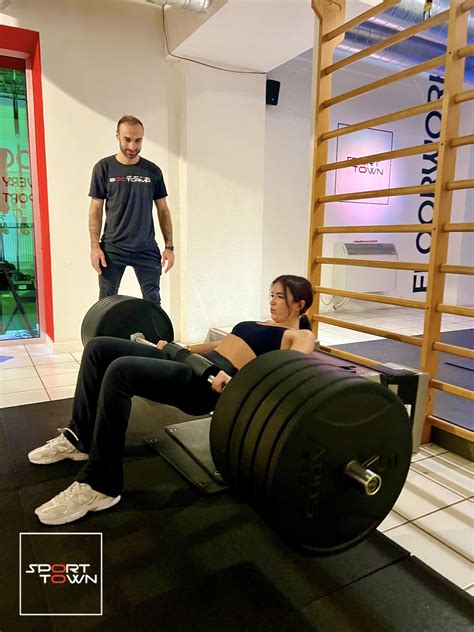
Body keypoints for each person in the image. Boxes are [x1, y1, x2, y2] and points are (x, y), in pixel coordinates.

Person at [29, 275, 315, 525]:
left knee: (121, 371)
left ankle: (101, 484)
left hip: (209, 383)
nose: (272, 302)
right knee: (98, 347)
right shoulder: (258, 323)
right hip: (193, 362)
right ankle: (78, 439)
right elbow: (219, 344)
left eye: (280, 297)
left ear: (300, 304)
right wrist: (176, 347)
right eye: (271, 295)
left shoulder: (299, 335)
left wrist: (240, 381)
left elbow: (289, 370)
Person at [89, 114, 175, 305]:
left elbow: (163, 210)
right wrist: (95, 246)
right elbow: (95, 209)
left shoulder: (153, 171)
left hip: (146, 248)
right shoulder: (104, 168)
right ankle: (106, 328)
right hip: (112, 247)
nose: (132, 146)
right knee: (106, 303)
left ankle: (153, 328)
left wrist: (169, 247)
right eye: (127, 139)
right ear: (117, 136)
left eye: (138, 140)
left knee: (153, 303)